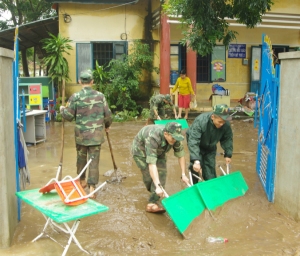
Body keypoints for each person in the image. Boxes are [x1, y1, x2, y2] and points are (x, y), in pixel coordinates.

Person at [60, 69, 112, 198]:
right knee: (94, 161)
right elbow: (108, 115)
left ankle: (81, 181)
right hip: (96, 136)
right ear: (92, 82)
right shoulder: (100, 96)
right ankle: (92, 187)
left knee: (81, 159)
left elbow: (68, 116)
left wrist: (62, 109)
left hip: (81, 136)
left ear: (79, 81)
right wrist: (107, 126)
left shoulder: (75, 97)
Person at [131, 122, 190, 213]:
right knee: (149, 177)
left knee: (162, 173)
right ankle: (155, 190)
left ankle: (152, 203)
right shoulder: (153, 137)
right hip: (141, 151)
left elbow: (181, 155)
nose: (175, 140)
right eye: (173, 138)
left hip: (160, 151)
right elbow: (152, 164)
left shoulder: (175, 137)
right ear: (166, 134)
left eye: (176, 138)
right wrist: (157, 186)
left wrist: (183, 174)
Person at [186, 104, 233, 184]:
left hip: (210, 146)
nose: (222, 124)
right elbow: (193, 141)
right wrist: (196, 161)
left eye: (224, 122)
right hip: (198, 144)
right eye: (220, 122)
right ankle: (194, 185)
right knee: (195, 167)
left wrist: (228, 154)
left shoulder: (225, 125)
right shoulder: (201, 121)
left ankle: (211, 188)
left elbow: (227, 138)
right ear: (213, 117)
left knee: (210, 168)